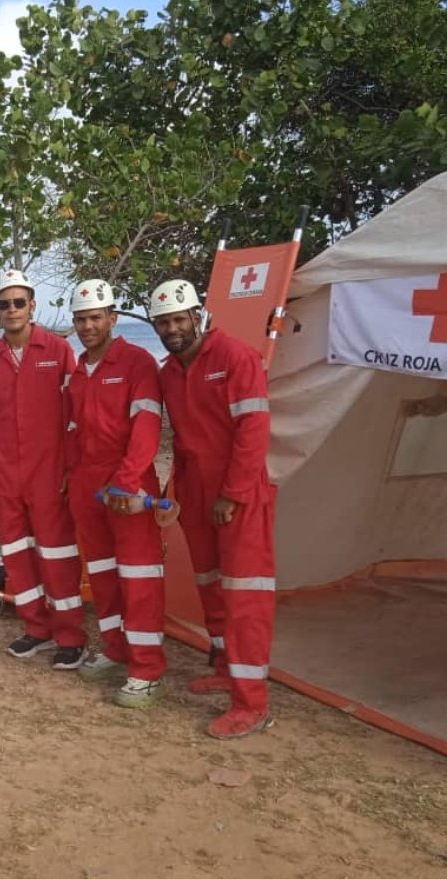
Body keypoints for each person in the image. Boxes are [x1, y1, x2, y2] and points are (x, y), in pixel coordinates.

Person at [149, 278, 276, 739]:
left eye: (179, 319)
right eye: (163, 322)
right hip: (196, 493)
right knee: (211, 585)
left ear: (198, 315)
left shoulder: (236, 358)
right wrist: (172, 490)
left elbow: (253, 431)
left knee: (245, 596)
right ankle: (226, 667)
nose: (172, 328)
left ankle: (251, 704)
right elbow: (183, 442)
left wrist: (233, 494)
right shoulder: (168, 372)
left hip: (237, 495)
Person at [0, 269, 87, 669]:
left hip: (49, 469)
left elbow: (75, 414)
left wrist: (72, 464)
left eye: (19, 302)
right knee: (17, 553)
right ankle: (36, 628)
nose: (12, 309)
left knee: (56, 553)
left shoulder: (57, 350)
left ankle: (70, 635)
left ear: (32, 306)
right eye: (4, 304)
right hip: (6, 471)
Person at [65, 279, 166, 707]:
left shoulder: (137, 362)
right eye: (81, 320)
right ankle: (114, 649)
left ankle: (146, 670)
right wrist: (70, 479)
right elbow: (72, 431)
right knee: (103, 574)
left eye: (95, 318)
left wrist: (126, 482)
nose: (88, 326)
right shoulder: (78, 371)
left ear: (112, 318)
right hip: (88, 486)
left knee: (139, 577)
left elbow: (146, 428)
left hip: (129, 484)